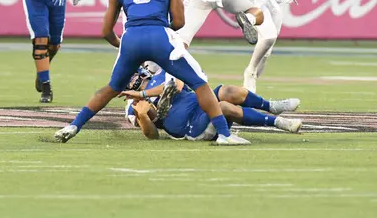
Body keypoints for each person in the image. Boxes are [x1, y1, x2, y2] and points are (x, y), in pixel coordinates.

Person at [54, 0, 249, 146]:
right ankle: (224, 134)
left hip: (131, 38)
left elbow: (106, 31)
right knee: (199, 83)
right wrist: (162, 34)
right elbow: (179, 19)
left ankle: (73, 125)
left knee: (111, 88)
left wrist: (126, 47)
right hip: (159, 35)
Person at [120, 66, 302, 139]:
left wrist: (144, 93)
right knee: (221, 107)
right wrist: (143, 116)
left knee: (228, 91)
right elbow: (153, 135)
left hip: (199, 101)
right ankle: (278, 123)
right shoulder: (131, 106)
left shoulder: (162, 73)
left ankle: (271, 106)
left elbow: (176, 85)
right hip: (190, 126)